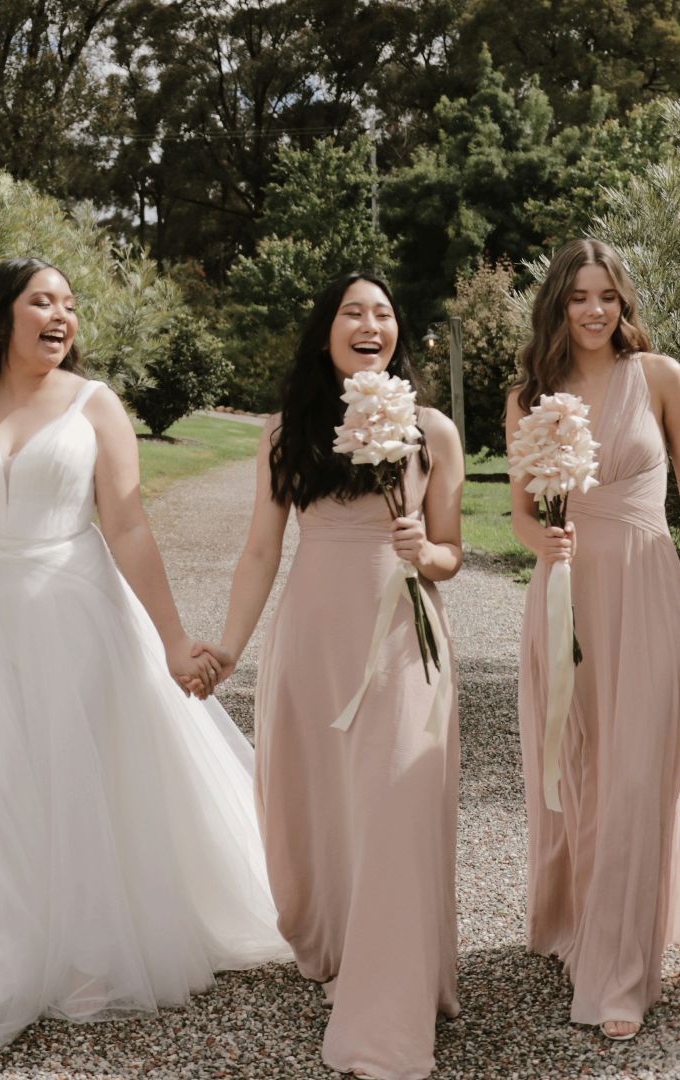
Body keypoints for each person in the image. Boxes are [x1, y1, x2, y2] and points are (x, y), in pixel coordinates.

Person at [0, 257, 289, 1077]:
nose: (61, 315)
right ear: (2, 314)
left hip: (74, 611)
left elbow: (131, 526)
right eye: (43, 300)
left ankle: (79, 954)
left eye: (70, 305)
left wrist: (177, 640)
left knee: (71, 781)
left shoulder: (94, 404)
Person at [204, 272, 465, 1079]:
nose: (369, 323)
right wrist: (229, 650)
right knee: (323, 807)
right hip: (314, 640)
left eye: (384, 312)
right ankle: (346, 949)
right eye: (353, 312)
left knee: (395, 799)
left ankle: (389, 1002)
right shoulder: (288, 434)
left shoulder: (433, 432)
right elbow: (260, 551)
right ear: (327, 332)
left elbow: (454, 554)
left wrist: (427, 554)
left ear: (397, 335)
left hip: (402, 638)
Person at [506, 238, 680, 1040]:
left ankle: (618, 971)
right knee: (581, 767)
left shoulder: (660, 378)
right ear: (557, 303)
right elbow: (519, 510)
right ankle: (586, 925)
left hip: (647, 585)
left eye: (606, 295)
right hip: (567, 593)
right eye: (578, 296)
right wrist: (541, 544)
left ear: (624, 301)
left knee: (640, 772)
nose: (593, 310)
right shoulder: (531, 393)